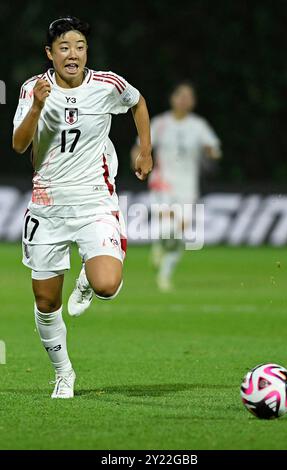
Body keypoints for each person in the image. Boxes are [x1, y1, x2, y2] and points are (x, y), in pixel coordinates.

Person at [12, 16, 152, 398]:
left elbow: (138, 102)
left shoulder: (107, 84)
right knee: (46, 301)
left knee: (108, 284)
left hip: (94, 200)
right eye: (64, 47)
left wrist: (145, 149)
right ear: (50, 54)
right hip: (47, 206)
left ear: (86, 52)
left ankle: (89, 279)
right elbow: (19, 145)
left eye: (79, 47)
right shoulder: (31, 89)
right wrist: (38, 107)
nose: (72, 54)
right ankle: (64, 374)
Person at [131, 82, 221, 291]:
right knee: (167, 224)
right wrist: (136, 160)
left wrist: (211, 153)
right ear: (173, 98)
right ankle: (160, 245)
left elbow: (215, 150)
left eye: (189, 96)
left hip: (188, 186)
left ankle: (164, 271)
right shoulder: (160, 123)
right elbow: (140, 145)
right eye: (181, 95)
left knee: (180, 234)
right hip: (163, 182)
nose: (185, 100)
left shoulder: (199, 125)